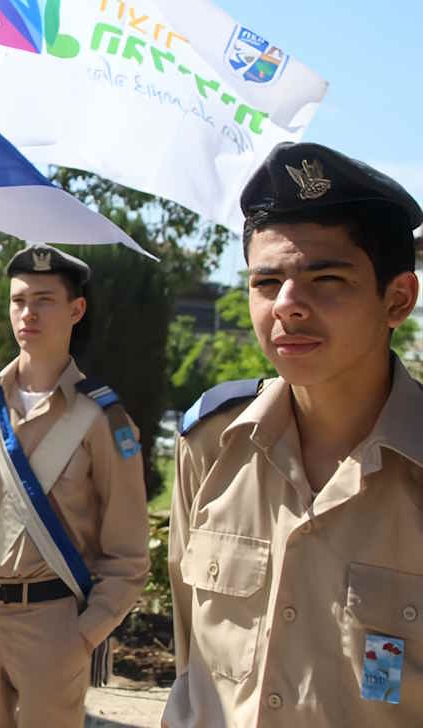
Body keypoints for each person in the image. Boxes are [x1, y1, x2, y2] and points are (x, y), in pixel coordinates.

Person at [162, 143, 423, 727]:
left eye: (325, 279)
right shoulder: (211, 445)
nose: (287, 306)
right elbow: (191, 660)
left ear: (398, 299)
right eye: (266, 281)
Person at [0, 244, 150, 728]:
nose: (28, 313)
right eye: (18, 301)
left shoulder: (102, 418)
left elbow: (128, 553)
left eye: (43, 300)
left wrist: (83, 635)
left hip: (53, 622)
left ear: (76, 310)